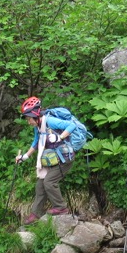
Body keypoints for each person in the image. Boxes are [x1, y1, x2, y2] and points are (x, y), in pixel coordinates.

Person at [15, 96, 78, 225]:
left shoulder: (50, 121)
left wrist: (60, 137)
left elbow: (71, 126)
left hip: (64, 158)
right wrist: (25, 156)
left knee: (49, 182)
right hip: (51, 159)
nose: (28, 122)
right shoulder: (38, 126)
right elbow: (36, 142)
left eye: (29, 119)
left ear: (35, 115)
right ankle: (36, 213)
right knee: (40, 185)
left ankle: (61, 208)